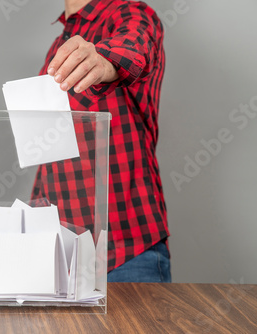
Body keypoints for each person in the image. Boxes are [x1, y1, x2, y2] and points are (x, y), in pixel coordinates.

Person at [31, 0, 171, 282]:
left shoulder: (131, 13)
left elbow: (135, 44)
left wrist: (103, 60)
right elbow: (53, 155)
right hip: (57, 256)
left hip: (124, 255)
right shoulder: (59, 42)